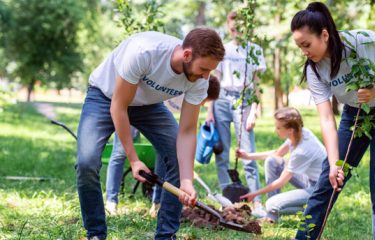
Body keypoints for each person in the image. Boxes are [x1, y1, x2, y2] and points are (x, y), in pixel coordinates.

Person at [75, 28, 225, 240]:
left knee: (175, 156)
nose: (205, 77)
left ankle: (166, 235)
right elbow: (119, 106)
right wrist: (134, 160)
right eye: (203, 69)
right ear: (187, 54)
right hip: (105, 97)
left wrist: (187, 180)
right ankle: (96, 233)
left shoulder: (201, 80)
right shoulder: (145, 51)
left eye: (210, 71)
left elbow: (188, 130)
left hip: (149, 105)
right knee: (86, 163)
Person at [290, 2, 375, 239]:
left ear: (325, 35)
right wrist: (334, 164)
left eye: (306, 45)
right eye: (299, 47)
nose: (304, 52)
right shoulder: (314, 70)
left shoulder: (363, 42)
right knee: (326, 182)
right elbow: (327, 119)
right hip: (354, 114)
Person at [105, 75, 221, 217]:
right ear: (203, 90)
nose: (203, 104)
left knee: (163, 153)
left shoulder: (192, 97)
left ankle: (157, 203)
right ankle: (111, 201)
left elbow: (184, 130)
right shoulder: (179, 86)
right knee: (120, 151)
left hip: (153, 115)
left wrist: (186, 170)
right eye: (205, 100)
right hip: (131, 106)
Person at [206, 10, 266, 216]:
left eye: (240, 28)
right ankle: (226, 200)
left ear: (247, 27)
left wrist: (254, 111)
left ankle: (256, 200)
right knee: (221, 152)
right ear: (228, 27)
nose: (236, 32)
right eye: (232, 29)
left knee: (247, 153)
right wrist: (209, 111)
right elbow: (214, 80)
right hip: (222, 98)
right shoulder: (223, 49)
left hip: (245, 99)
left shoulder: (255, 50)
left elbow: (257, 85)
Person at [238, 107, 326, 223]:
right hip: (309, 180)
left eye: (279, 128)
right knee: (272, 161)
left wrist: (255, 193)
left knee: (271, 204)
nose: (276, 130)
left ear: (290, 130)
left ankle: (315, 209)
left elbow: (280, 182)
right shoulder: (300, 133)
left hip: (320, 189)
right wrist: (247, 156)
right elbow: (277, 154)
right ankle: (271, 217)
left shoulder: (302, 151)